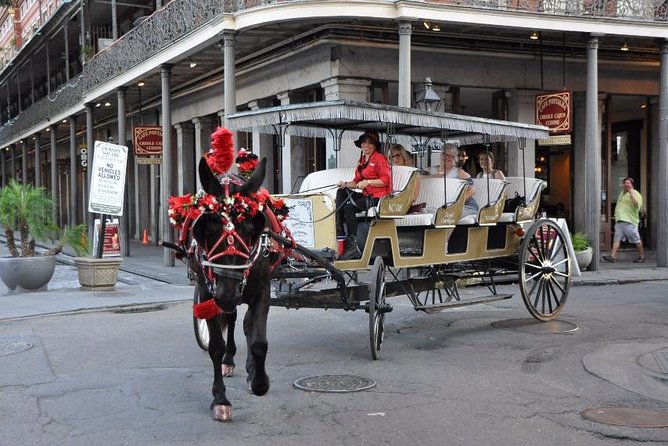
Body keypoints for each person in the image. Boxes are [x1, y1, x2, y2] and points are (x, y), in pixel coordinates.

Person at [336, 131, 391, 260]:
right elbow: (356, 182)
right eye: (364, 142)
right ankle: (340, 230)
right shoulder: (361, 160)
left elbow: (386, 180)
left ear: (375, 146)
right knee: (341, 192)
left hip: (378, 198)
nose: (366, 145)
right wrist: (345, 184)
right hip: (366, 195)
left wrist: (368, 182)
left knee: (349, 207)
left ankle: (352, 245)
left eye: (370, 143)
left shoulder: (380, 159)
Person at [603, 177, 645, 263]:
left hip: (629, 221)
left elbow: (637, 206)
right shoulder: (622, 193)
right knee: (616, 239)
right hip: (619, 221)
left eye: (628, 183)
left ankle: (642, 256)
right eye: (625, 183)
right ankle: (612, 257)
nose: (626, 184)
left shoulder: (636, 193)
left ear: (632, 184)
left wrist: (632, 196)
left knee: (636, 239)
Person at [430, 144, 478, 218]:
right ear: (440, 155)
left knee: (447, 214)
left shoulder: (459, 172)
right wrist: (434, 176)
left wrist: (456, 203)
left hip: (466, 206)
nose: (447, 158)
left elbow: (472, 191)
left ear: (455, 158)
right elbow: (418, 176)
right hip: (441, 205)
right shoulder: (432, 170)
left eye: (451, 156)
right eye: (445, 154)